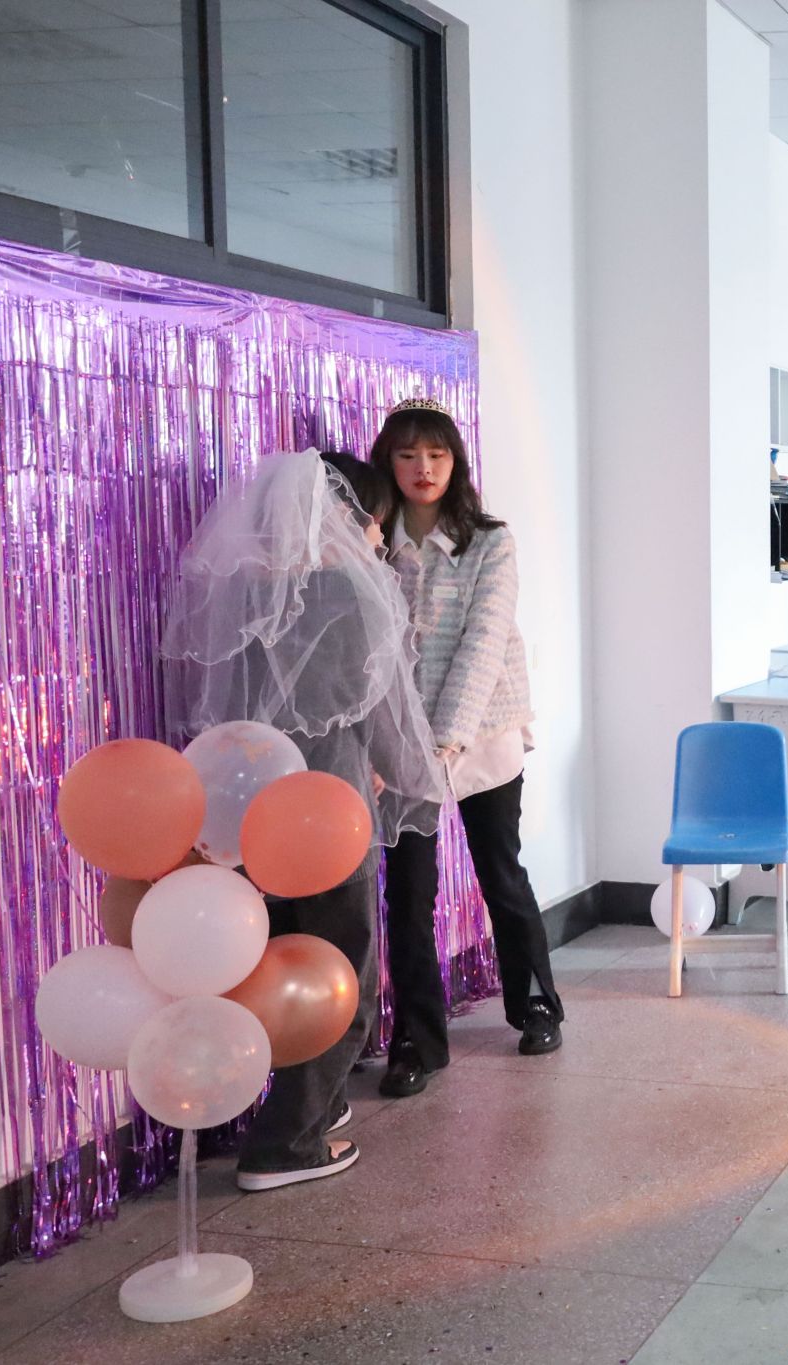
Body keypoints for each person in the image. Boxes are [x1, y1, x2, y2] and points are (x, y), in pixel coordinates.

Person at [162, 450, 445, 1190]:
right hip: (326, 814)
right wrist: (420, 780)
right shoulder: (355, 589)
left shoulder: (237, 588)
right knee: (340, 977)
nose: (377, 534)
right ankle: (286, 1144)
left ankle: (310, 1105)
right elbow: (385, 712)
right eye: (372, 521)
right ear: (348, 518)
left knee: (278, 969)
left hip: (245, 814)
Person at [369, 398, 563, 1099]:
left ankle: (536, 1004)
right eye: (408, 455)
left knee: (499, 873)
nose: (423, 468)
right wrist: (398, 745)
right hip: (401, 742)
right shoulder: (372, 544)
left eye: (437, 454)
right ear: (388, 463)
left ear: (456, 462)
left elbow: (482, 644)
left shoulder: (490, 541)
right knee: (408, 894)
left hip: (480, 733)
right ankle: (416, 1041)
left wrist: (442, 739)